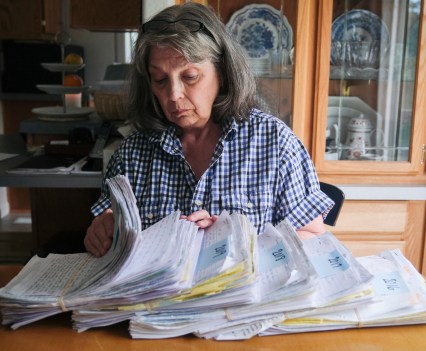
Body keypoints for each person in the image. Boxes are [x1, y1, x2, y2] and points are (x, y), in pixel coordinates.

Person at [84, 2, 334, 257]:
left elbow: (313, 236)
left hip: (245, 295)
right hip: (160, 297)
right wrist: (101, 232)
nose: (173, 94)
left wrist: (238, 245)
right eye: (160, 80)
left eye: (190, 76)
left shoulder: (274, 142)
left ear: (222, 72)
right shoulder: (132, 153)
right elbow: (108, 228)